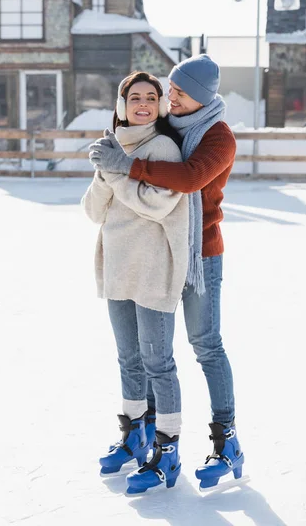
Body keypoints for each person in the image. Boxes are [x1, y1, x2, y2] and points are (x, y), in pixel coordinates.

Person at [89, 54, 245, 490]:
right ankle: (143, 433)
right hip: (155, 253)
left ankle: (226, 439)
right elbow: (131, 122)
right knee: (148, 350)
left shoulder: (219, 137)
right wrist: (117, 145)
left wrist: (127, 167)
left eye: (179, 92)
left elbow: (190, 176)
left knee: (205, 345)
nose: (169, 98)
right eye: (170, 91)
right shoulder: (169, 124)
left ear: (200, 97)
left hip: (200, 255)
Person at [83, 71, 189, 494]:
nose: (142, 104)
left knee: (158, 363)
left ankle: (168, 446)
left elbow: (157, 204)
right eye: (134, 97)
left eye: (151, 97)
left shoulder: (163, 147)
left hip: (153, 269)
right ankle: (134, 434)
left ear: (161, 105)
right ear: (122, 104)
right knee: (129, 359)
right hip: (118, 268)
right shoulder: (115, 146)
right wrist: (106, 172)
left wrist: (117, 174)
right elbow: (93, 211)